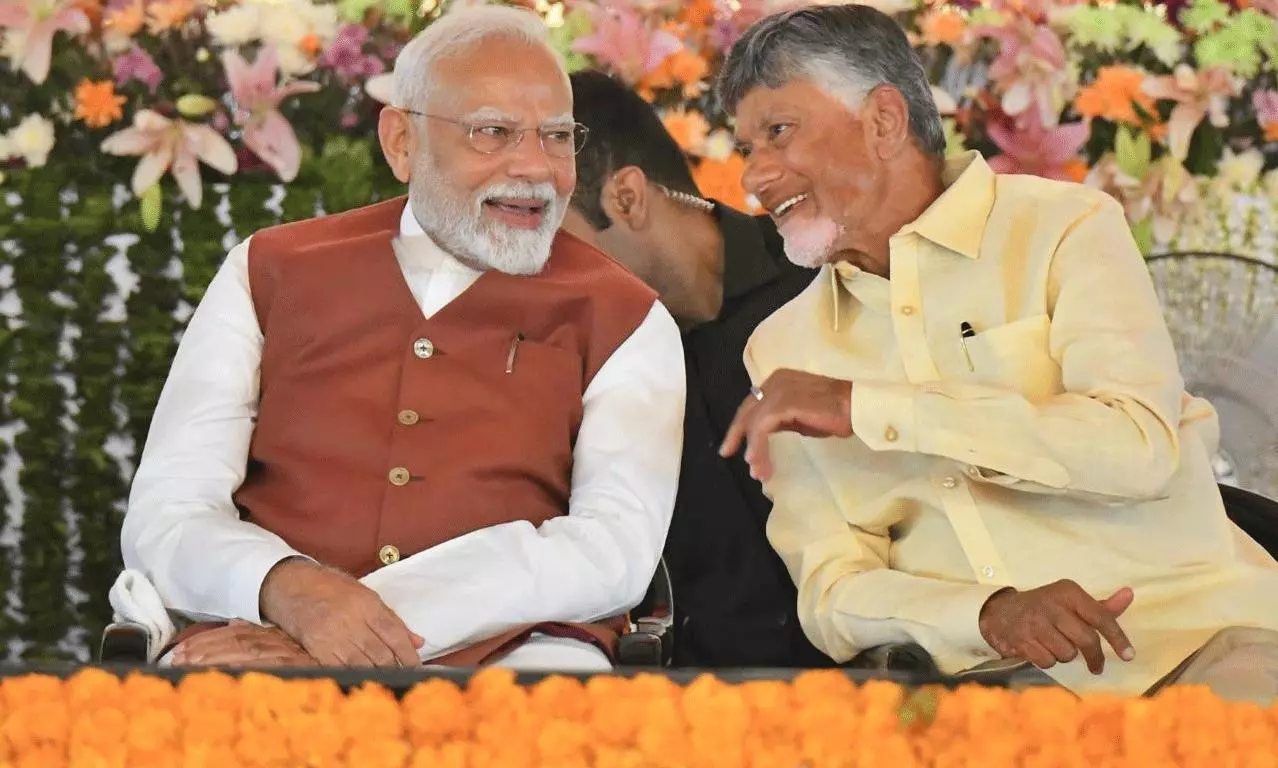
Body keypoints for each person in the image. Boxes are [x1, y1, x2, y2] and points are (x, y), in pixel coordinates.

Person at [715, 4, 1278, 701]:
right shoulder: (782, 349)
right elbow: (831, 592)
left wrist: (872, 409)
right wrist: (985, 615)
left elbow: (1139, 445)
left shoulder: (1065, 228)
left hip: (1199, 645)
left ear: (883, 121)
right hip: (993, 691)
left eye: (778, 132)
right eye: (746, 148)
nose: (754, 177)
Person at [115, 5, 685, 671]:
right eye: (494, 132)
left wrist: (348, 625)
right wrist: (286, 591)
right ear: (401, 142)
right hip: (255, 637)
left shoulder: (626, 314)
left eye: (557, 137)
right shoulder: (266, 270)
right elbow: (170, 510)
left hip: (508, 655)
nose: (538, 168)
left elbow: (613, 548)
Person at [561, 71, 831, 668]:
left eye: (554, 240)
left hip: (888, 687)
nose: (541, 273)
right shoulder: (574, 359)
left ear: (626, 198)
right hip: (692, 699)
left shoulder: (824, 285)